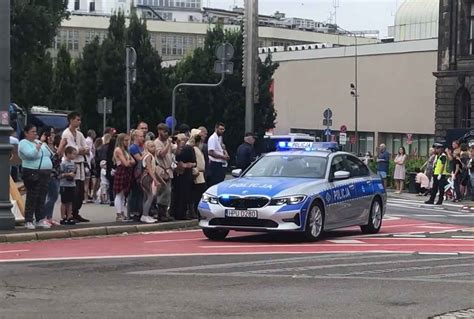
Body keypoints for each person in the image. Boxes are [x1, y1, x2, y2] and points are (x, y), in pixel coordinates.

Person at [18, 124, 53, 230]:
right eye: (33, 132)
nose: (35, 134)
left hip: (44, 173)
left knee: (41, 196)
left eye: (36, 132)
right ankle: (28, 220)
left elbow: (49, 153)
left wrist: (48, 144)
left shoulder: (38, 142)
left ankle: (39, 219)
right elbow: (31, 155)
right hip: (32, 172)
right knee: (32, 196)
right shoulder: (23, 143)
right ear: (26, 133)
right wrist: (39, 145)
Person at [57, 112, 90, 223]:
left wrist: (81, 150)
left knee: (80, 191)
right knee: (72, 192)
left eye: (80, 120)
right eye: (77, 119)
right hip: (70, 165)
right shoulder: (66, 134)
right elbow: (72, 150)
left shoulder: (79, 134)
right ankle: (68, 214)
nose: (79, 122)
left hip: (79, 164)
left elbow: (86, 148)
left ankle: (76, 212)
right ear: (71, 120)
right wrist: (80, 150)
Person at [171, 134, 196, 220]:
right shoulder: (174, 148)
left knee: (185, 193)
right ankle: (174, 212)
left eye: (183, 140)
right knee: (175, 194)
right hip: (175, 174)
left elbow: (194, 162)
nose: (181, 142)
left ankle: (182, 213)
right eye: (179, 140)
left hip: (186, 174)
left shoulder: (188, 149)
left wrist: (186, 165)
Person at [40, 126, 61, 226]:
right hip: (50, 173)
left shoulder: (53, 146)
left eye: (53, 133)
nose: (52, 135)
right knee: (52, 196)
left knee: (53, 196)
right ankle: (42, 216)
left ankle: (49, 217)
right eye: (51, 133)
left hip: (56, 173)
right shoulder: (44, 146)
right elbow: (52, 159)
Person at [140, 141, 165, 224]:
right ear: (147, 148)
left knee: (146, 197)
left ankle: (145, 214)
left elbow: (153, 170)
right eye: (151, 146)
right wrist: (156, 180)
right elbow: (150, 169)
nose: (153, 148)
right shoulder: (149, 156)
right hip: (147, 177)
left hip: (147, 177)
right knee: (150, 196)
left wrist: (160, 180)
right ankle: (144, 215)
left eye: (154, 146)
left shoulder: (149, 156)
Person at [154, 123, 174, 221]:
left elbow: (176, 151)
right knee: (163, 191)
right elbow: (161, 154)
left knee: (167, 192)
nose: (166, 134)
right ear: (159, 131)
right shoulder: (157, 142)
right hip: (161, 169)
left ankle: (165, 212)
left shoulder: (167, 141)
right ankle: (160, 214)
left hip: (168, 169)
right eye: (164, 131)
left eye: (167, 132)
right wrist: (168, 144)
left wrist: (177, 144)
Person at [113, 133, 135, 222]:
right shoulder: (118, 149)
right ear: (121, 141)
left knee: (123, 194)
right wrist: (128, 161)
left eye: (128, 140)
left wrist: (128, 161)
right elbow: (126, 163)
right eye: (125, 140)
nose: (127, 142)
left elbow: (133, 161)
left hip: (126, 172)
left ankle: (122, 213)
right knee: (119, 193)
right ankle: (118, 214)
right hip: (121, 170)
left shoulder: (126, 150)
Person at [188, 129, 206, 217]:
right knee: (196, 194)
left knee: (200, 193)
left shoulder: (198, 147)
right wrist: (195, 171)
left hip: (201, 174)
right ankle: (193, 211)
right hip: (197, 174)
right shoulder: (193, 148)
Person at [128, 129, 145, 220]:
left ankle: (139, 210)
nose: (143, 138)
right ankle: (134, 212)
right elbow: (140, 159)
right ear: (135, 137)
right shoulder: (133, 147)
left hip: (142, 173)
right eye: (141, 136)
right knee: (135, 193)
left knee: (141, 193)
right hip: (136, 174)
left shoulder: (142, 147)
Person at [59, 146, 78, 225]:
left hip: (72, 184)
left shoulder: (73, 163)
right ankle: (63, 216)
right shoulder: (63, 163)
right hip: (64, 184)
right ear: (68, 154)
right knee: (64, 202)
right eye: (73, 154)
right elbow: (60, 174)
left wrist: (73, 174)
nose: (74, 156)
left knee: (70, 202)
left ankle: (69, 216)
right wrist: (68, 174)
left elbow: (74, 172)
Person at [207, 122, 229, 187]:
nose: (222, 131)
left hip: (221, 164)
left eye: (223, 129)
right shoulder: (213, 138)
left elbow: (222, 148)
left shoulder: (220, 138)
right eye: (220, 129)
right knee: (215, 182)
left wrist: (225, 153)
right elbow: (210, 152)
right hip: (215, 164)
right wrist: (222, 157)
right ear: (216, 128)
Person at [84, 129, 97, 203]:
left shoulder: (88, 141)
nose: (95, 134)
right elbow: (89, 152)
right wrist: (92, 158)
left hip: (87, 162)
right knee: (86, 181)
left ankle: (85, 197)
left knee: (86, 182)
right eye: (94, 133)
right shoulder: (89, 141)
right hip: (87, 163)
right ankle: (85, 197)